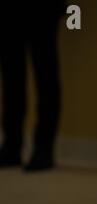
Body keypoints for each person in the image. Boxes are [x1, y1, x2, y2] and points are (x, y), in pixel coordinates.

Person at [0, 1, 65, 171]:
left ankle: (42, 149)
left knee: (44, 77)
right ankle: (12, 145)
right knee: (12, 77)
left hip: (43, 8)